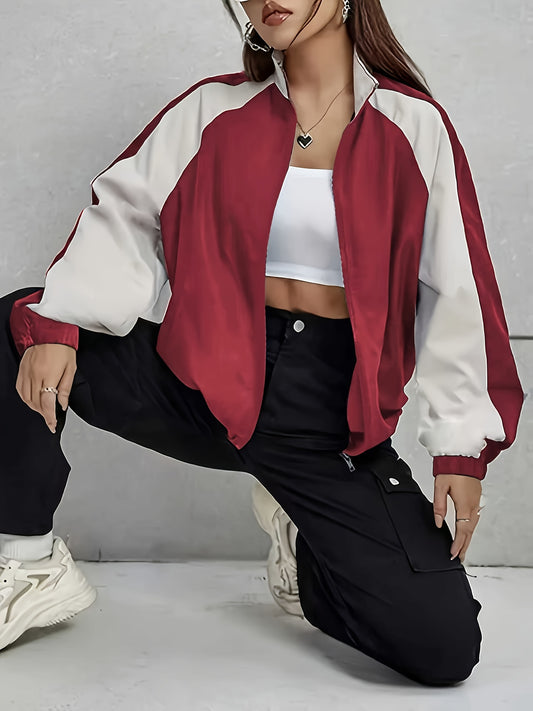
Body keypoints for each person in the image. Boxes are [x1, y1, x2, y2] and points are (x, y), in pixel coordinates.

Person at [0, 0, 525, 687]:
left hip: (324, 421)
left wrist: (461, 447)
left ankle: (303, 543)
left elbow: (457, 290)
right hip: (200, 386)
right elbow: (122, 216)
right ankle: (29, 559)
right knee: (20, 321)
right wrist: (63, 323)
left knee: (443, 647)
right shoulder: (210, 111)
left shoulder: (412, 125)